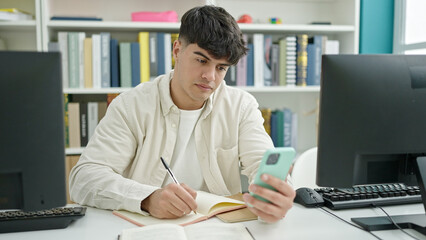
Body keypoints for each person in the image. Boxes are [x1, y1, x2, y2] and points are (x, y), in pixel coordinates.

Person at [69, 5, 295, 223]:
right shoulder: (131, 105)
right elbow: (83, 179)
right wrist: (147, 199)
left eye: (221, 68)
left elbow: (263, 164)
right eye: (201, 60)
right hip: (150, 229)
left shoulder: (241, 106)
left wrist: (276, 194)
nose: (210, 77)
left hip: (219, 230)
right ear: (177, 50)